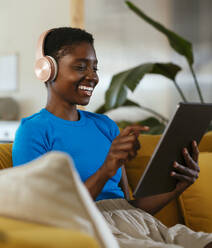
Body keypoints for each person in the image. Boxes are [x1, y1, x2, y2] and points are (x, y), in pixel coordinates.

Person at [12, 27, 212, 248]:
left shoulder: (105, 126)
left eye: (94, 67)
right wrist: (107, 168)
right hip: (88, 231)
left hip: (140, 224)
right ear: (46, 70)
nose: (93, 76)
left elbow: (127, 207)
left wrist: (178, 187)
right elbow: (45, 216)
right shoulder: (33, 131)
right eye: (80, 67)